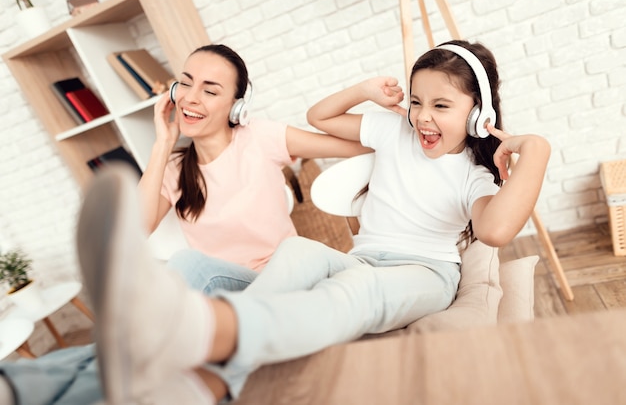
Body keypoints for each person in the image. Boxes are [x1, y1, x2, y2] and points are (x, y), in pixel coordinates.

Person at [75, 39, 549, 404]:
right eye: (417, 102)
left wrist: (536, 153)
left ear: (477, 115)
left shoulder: (474, 176)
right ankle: (154, 342)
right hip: (362, 259)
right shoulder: (393, 129)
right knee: (294, 251)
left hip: (425, 272)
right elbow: (320, 115)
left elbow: (495, 231)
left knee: (351, 294)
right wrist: (367, 92)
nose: (422, 117)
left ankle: (214, 367)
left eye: (441, 106)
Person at [0, 44, 368, 405]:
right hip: (210, 303)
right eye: (185, 83)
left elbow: (354, 147)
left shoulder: (261, 137)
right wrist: (163, 143)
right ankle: (23, 387)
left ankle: (36, 380)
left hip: (276, 283)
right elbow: (137, 228)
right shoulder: (176, 168)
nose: (191, 98)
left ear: (237, 106)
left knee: (184, 269)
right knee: (134, 343)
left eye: (210, 90)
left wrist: (402, 122)